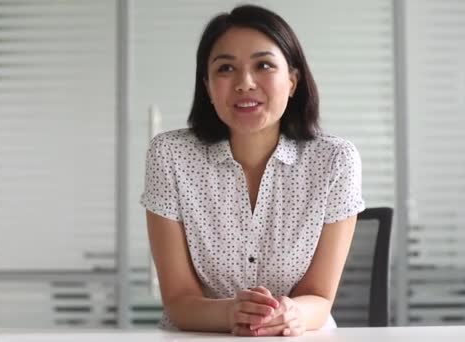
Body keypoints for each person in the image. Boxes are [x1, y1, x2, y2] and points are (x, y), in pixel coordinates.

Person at [140, 4, 364, 337]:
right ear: (207, 85)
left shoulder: (336, 161)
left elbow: (318, 297)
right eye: (226, 68)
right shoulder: (170, 156)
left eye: (263, 65)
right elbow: (179, 301)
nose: (245, 83)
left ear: (292, 80)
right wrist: (232, 312)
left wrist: (290, 313)